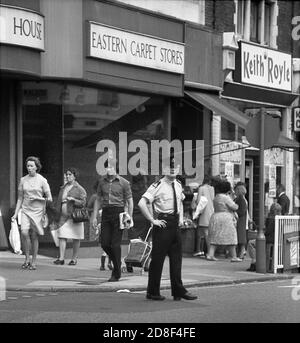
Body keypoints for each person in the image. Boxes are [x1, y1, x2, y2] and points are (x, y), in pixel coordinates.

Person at [138, 155, 197, 301]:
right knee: (157, 260)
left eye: (175, 166)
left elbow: (181, 202)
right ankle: (152, 292)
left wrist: (181, 218)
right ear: (164, 169)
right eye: (169, 166)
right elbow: (141, 203)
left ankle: (178, 291)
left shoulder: (177, 184)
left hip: (175, 224)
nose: (172, 169)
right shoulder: (157, 185)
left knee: (177, 259)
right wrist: (153, 220)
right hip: (163, 224)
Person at [92, 159, 133, 282]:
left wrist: (129, 217)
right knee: (104, 243)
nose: (108, 169)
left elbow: (130, 201)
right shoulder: (101, 182)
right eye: (107, 167)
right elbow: (98, 199)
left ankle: (116, 271)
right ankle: (117, 263)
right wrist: (94, 216)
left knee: (115, 244)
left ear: (116, 168)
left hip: (119, 212)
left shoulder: (124, 182)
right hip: (106, 212)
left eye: (111, 166)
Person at [11, 156, 52, 270]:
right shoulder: (23, 180)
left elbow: (49, 198)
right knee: (24, 233)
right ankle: (27, 258)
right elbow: (20, 198)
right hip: (25, 210)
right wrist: (15, 213)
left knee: (34, 235)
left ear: (36, 167)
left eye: (31, 166)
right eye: (28, 166)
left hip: (37, 211)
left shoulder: (42, 180)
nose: (29, 168)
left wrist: (39, 199)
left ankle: (33, 261)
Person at [53, 168, 87, 266]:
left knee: (76, 237)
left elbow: (83, 203)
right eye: (67, 174)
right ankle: (61, 258)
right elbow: (59, 201)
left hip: (74, 216)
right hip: (63, 216)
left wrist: (74, 200)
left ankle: (74, 259)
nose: (68, 176)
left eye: (70, 174)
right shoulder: (63, 187)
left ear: (75, 176)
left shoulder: (79, 188)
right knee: (62, 236)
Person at [206, 180, 242, 262]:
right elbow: (234, 207)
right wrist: (235, 202)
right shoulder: (226, 198)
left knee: (214, 237)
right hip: (226, 218)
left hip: (216, 216)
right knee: (231, 237)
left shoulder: (216, 197)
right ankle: (234, 256)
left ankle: (210, 254)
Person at [247, 202, 282, 272]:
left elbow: (267, 232)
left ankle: (254, 261)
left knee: (251, 243)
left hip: (269, 239)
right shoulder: (280, 218)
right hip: (278, 239)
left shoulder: (271, 219)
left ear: (271, 210)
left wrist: (261, 230)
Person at [193, 175, 214, 257]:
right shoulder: (212, 189)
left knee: (206, 234)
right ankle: (203, 250)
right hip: (212, 212)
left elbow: (198, 201)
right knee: (207, 233)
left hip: (204, 212)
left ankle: (209, 252)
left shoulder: (201, 188)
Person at [234, 182, 248, 259]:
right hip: (241, 219)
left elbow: (242, 211)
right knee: (240, 237)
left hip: (240, 220)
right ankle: (240, 253)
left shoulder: (241, 199)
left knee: (240, 237)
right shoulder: (241, 199)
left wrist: (235, 211)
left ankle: (241, 253)